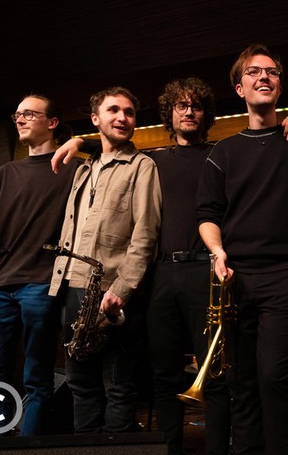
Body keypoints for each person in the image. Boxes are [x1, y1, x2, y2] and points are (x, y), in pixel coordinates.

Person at [52, 77, 288, 454]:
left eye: (196, 106)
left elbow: (263, 152)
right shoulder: (152, 160)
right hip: (161, 275)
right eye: (181, 106)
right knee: (164, 376)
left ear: (207, 114)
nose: (189, 112)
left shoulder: (223, 154)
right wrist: (80, 142)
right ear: (169, 113)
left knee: (216, 376)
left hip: (207, 272)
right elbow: (112, 145)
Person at [196, 43, 288, 455]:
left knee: (275, 376)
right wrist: (217, 252)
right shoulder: (223, 151)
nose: (264, 77)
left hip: (286, 276)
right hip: (235, 278)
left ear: (279, 85)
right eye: (254, 72)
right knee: (242, 381)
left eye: (272, 72)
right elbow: (207, 213)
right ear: (240, 88)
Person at [49, 86, 162, 433]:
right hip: (72, 287)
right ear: (95, 119)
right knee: (80, 385)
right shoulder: (83, 169)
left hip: (112, 290)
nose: (122, 117)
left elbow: (146, 233)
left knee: (118, 386)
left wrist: (122, 289)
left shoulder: (143, 166)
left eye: (129, 112)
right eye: (113, 110)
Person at [0, 95, 79, 436]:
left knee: (37, 377)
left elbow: (112, 148)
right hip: (1, 283)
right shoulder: (6, 172)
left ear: (53, 123)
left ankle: (28, 447)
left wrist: (79, 141)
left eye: (29, 114)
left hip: (42, 283)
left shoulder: (75, 169)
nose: (20, 119)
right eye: (17, 114)